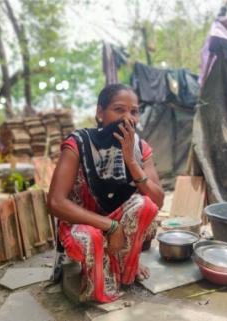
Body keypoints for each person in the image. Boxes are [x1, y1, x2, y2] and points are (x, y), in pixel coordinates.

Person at [47, 84, 165, 303]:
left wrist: (131, 160)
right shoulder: (78, 144)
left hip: (118, 217)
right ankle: (110, 270)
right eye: (119, 109)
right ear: (100, 113)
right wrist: (110, 226)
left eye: (134, 112)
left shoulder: (139, 148)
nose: (127, 118)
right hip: (80, 222)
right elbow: (55, 203)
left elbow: (157, 200)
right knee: (91, 237)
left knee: (146, 206)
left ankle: (119, 266)